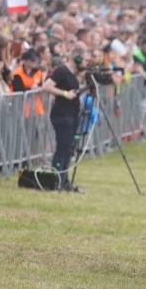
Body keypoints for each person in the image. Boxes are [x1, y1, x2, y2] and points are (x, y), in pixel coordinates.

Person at [46, 53, 92, 193]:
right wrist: (65, 94)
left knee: (69, 149)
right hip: (62, 115)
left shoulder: (73, 75)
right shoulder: (61, 71)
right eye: (84, 60)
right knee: (62, 148)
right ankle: (56, 180)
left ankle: (64, 180)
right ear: (76, 58)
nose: (86, 63)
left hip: (72, 115)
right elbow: (46, 87)